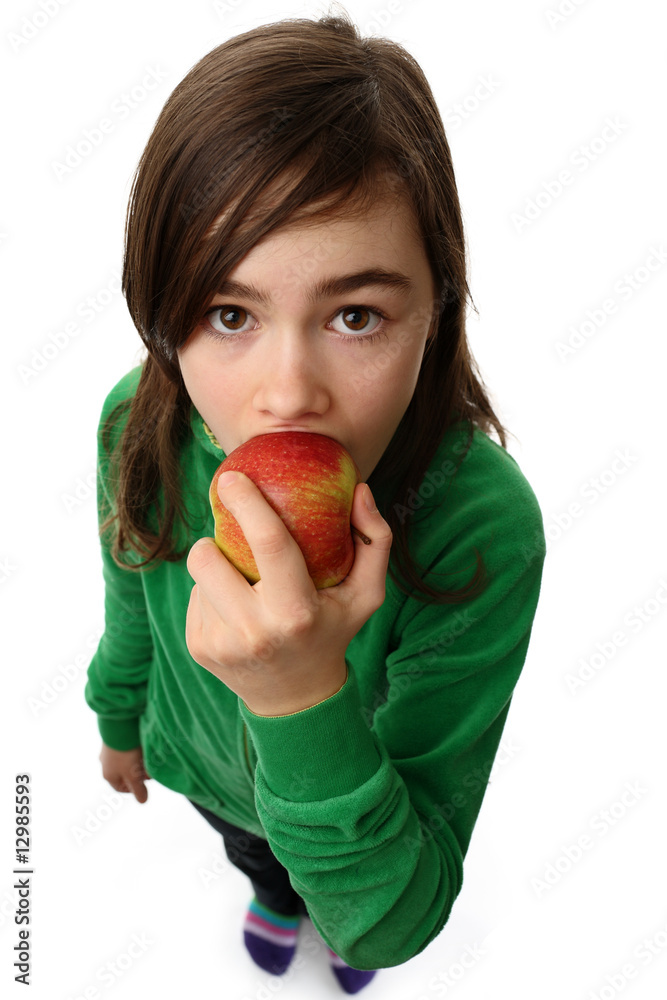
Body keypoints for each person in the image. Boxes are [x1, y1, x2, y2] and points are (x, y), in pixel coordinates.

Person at [85, 9, 546, 995]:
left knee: (345, 914)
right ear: (166, 318)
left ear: (437, 308)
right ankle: (278, 891)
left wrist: (298, 695)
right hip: (207, 773)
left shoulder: (482, 525)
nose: (287, 391)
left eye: (353, 314)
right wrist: (117, 715)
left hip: (352, 793)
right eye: (228, 312)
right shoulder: (138, 418)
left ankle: (317, 908)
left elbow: (396, 919)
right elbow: (129, 590)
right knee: (259, 854)